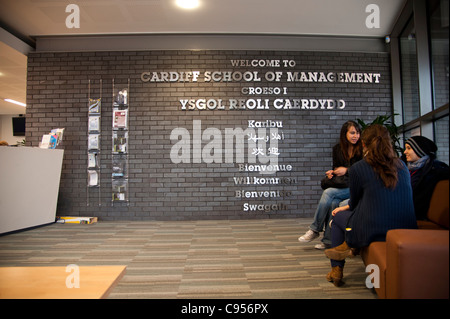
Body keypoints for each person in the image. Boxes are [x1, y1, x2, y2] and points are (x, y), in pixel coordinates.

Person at [324, 124, 417, 287]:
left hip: (374, 229)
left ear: (364, 144)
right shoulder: (402, 166)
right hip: (406, 227)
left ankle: (336, 269)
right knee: (347, 214)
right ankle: (349, 246)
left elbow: (355, 202)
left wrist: (344, 208)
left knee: (338, 216)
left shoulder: (358, 168)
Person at [298, 120, 363, 249]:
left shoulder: (362, 149)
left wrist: (347, 170)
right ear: (345, 134)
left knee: (328, 193)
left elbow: (364, 170)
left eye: (357, 133)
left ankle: (315, 229)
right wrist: (332, 173)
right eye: (352, 133)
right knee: (333, 203)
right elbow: (336, 169)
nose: (355, 136)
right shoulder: (337, 149)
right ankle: (328, 240)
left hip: (357, 187)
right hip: (342, 186)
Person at [404, 136, 449, 220]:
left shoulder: (435, 169)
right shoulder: (409, 169)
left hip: (417, 214)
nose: (405, 152)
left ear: (419, 150)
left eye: (409, 148)